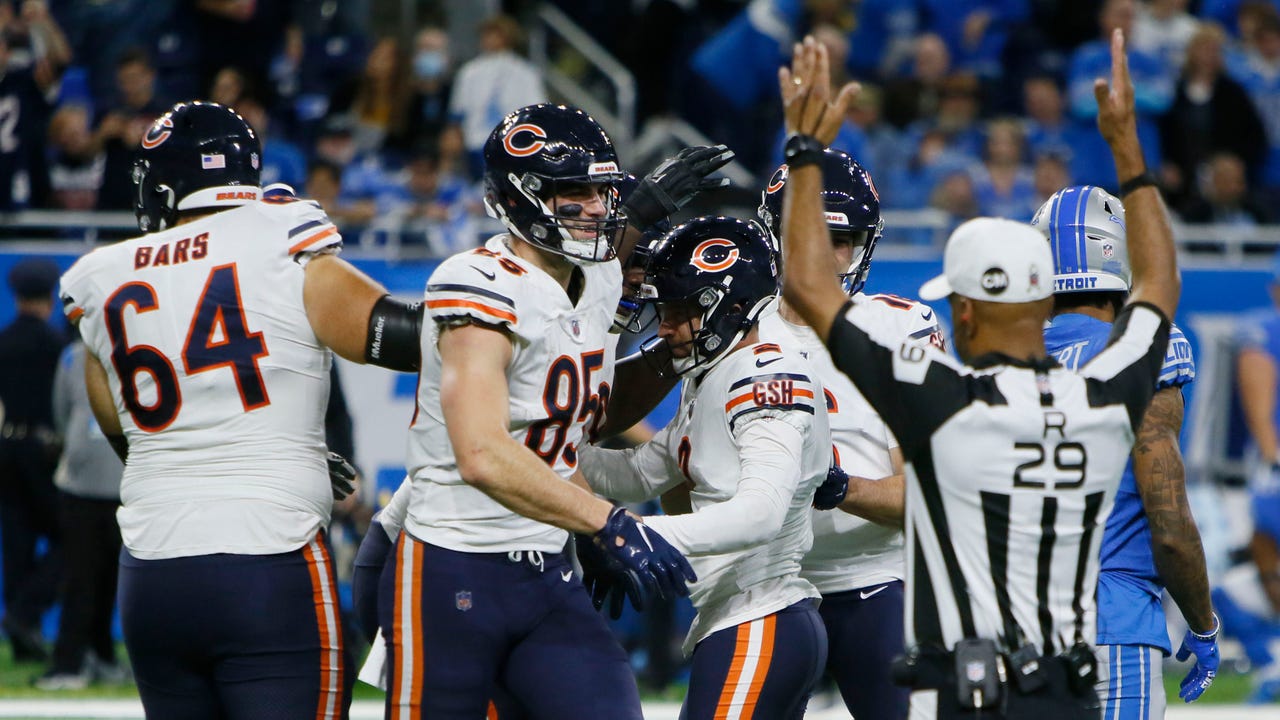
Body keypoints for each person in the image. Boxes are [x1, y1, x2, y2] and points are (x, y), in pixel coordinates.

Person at [777, 31, 1182, 718]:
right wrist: (1128, 154)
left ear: (963, 313)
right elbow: (1159, 286)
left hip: (971, 693)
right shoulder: (1106, 396)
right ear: (1043, 299)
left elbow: (810, 287)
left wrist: (805, 150)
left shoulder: (941, 400)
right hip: (1069, 692)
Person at [58, 100, 429, 718]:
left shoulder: (101, 277)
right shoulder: (277, 233)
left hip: (152, 571)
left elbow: (128, 435)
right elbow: (402, 338)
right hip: (268, 559)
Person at [384, 102, 695, 719]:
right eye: (574, 192)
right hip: (453, 563)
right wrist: (605, 521)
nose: (597, 208)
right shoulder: (479, 282)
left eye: (601, 191)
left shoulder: (597, 278)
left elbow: (575, 422)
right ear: (518, 197)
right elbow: (481, 454)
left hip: (548, 567)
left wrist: (642, 213)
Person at [579, 216, 831, 720]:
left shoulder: (765, 375)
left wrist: (636, 533)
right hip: (740, 618)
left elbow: (760, 513)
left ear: (732, 307)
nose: (664, 328)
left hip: (761, 614)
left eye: (680, 311)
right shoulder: (717, 373)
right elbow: (639, 472)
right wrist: (543, 452)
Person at [757, 148, 942, 720]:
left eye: (843, 240)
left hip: (876, 580)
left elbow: (929, 497)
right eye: (813, 236)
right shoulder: (734, 326)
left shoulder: (899, 328)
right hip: (762, 587)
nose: (827, 255)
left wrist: (838, 487)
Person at [1033, 184, 1219, 714]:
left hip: (1008, 624)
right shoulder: (1142, 348)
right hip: (1109, 621)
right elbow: (1169, 520)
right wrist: (1203, 624)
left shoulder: (997, 361)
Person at [35, 337, 127, 690]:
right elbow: (61, 412)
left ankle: (102, 656)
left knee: (113, 581)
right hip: (79, 488)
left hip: (124, 487)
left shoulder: (138, 346)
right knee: (80, 579)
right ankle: (69, 662)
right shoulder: (73, 357)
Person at [0, 257, 66, 662]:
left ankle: (22, 638)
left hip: (6, 447)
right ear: (50, 296)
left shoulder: (3, 341)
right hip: (45, 450)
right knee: (72, 540)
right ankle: (26, 613)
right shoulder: (58, 345)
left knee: (17, 542)